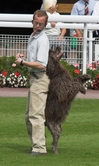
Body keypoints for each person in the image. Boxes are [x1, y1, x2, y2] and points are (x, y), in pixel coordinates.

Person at [15, 10, 50, 156]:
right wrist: (23, 58)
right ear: (32, 22)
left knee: (36, 115)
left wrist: (23, 62)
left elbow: (42, 64)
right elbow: (34, 59)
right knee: (29, 115)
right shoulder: (33, 36)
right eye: (36, 23)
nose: (38, 26)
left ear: (45, 24)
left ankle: (40, 148)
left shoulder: (42, 39)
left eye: (41, 24)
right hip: (34, 78)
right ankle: (37, 143)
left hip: (40, 78)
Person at [70, 0, 96, 67]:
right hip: (81, 29)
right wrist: (78, 32)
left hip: (93, 29)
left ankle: (94, 66)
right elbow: (73, 20)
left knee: (94, 50)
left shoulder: (95, 3)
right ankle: (81, 68)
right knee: (80, 51)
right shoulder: (76, 5)